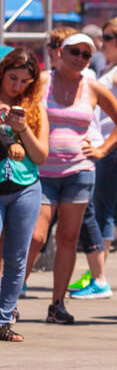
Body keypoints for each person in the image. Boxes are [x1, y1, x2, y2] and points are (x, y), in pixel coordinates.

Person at [26, 32, 117, 323]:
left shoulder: (93, 86)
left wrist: (103, 148)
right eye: (75, 52)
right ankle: (9, 299)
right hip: (42, 171)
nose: (80, 59)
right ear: (60, 51)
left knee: (69, 238)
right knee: (35, 236)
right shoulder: (42, 82)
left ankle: (57, 304)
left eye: (87, 55)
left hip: (79, 171)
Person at [70, 14, 117, 302]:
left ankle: (100, 278)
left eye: (110, 37)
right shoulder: (116, 66)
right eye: (103, 35)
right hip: (113, 148)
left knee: (103, 209)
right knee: (111, 208)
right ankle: (99, 273)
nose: (103, 42)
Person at [0, 49, 49, 341]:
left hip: (25, 188)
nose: (17, 86)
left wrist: (24, 129)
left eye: (25, 81)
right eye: (12, 78)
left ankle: (3, 319)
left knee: (17, 257)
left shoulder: (34, 108)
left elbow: (41, 155)